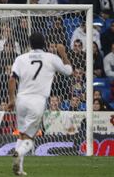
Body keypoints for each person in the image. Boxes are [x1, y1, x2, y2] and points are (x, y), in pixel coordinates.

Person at [8, 32, 72, 175]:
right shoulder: (51, 58)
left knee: (22, 134)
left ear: (30, 44)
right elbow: (69, 72)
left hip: (21, 100)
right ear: (44, 43)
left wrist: (11, 99)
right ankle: (19, 152)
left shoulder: (21, 58)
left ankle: (19, 168)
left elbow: (12, 79)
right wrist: (63, 54)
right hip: (37, 100)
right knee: (29, 138)